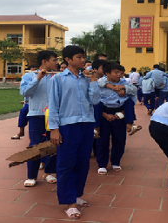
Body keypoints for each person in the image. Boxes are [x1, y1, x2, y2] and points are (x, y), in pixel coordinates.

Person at [48, 45, 100, 219]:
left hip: (86, 124)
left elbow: (95, 100)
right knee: (66, 164)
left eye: (84, 57)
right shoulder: (59, 79)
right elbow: (53, 105)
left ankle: (77, 195)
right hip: (67, 125)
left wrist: (93, 80)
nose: (83, 60)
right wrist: (54, 129)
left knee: (82, 162)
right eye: (79, 57)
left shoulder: (87, 79)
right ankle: (69, 202)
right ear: (68, 60)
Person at [20, 50, 59, 187]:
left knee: (53, 144)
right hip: (37, 115)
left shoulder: (57, 76)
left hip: (54, 116)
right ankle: (31, 176)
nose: (56, 63)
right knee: (36, 145)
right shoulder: (29, 75)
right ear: (44, 61)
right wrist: (38, 79)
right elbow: (24, 92)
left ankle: (49, 172)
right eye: (54, 60)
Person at [96, 62, 136, 174]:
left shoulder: (125, 83)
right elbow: (94, 98)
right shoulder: (101, 83)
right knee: (102, 140)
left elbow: (134, 91)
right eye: (116, 72)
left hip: (120, 114)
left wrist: (123, 88)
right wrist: (105, 115)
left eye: (121, 73)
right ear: (107, 73)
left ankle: (115, 162)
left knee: (119, 139)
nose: (119, 75)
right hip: (103, 113)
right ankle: (102, 164)